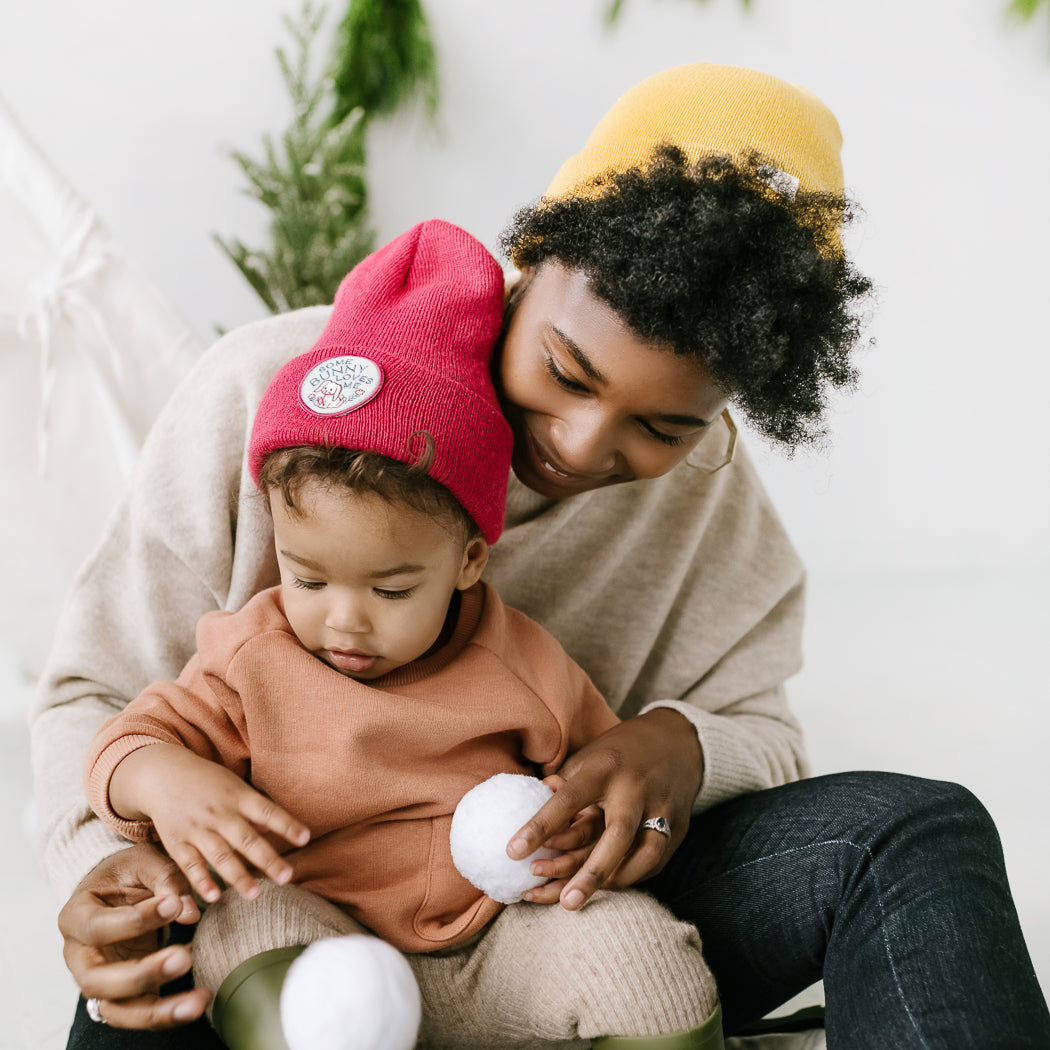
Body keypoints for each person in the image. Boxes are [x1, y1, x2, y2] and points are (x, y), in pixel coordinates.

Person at [32, 63, 1050, 1050]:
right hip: (271, 907)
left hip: (544, 919)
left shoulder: (708, 499)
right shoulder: (286, 400)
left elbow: (769, 741)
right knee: (153, 992)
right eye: (566, 370)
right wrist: (106, 875)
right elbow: (95, 691)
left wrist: (676, 749)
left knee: (917, 834)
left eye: (662, 427)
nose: (580, 443)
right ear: (531, 257)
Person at [80, 218, 724, 1050]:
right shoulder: (252, 655)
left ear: (467, 561)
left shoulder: (523, 663)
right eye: (305, 577)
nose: (342, 618)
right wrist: (162, 780)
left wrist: (567, 839)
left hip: (492, 943)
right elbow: (120, 738)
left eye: (391, 588)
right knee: (245, 919)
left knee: (641, 952)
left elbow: (599, 782)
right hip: (307, 925)